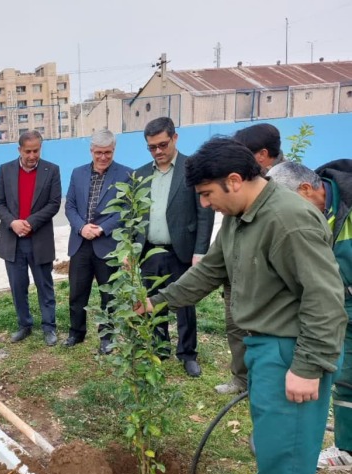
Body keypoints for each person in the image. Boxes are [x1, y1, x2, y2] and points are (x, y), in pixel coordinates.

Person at [138, 137, 346, 474]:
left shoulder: (289, 220)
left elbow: (325, 297)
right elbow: (210, 271)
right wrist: (157, 302)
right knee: (272, 435)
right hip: (264, 346)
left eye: (207, 194)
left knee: (289, 440)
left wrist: (308, 366)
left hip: (292, 348)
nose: (204, 204)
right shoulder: (239, 216)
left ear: (234, 181)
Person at [267, 159, 352, 466]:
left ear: (306, 189)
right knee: (346, 376)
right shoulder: (312, 212)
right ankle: (347, 447)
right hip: (338, 302)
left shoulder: (347, 205)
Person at [134, 117, 214, 377]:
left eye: (163, 144)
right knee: (152, 302)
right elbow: (134, 216)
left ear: (175, 138)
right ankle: (159, 348)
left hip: (182, 250)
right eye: (152, 147)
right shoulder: (141, 174)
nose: (158, 151)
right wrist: (132, 251)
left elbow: (205, 215)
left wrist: (200, 251)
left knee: (184, 303)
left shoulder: (192, 169)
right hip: (150, 251)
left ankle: (188, 353)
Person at [216, 124, 287, 394]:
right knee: (235, 324)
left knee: (265, 335)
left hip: (264, 276)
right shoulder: (239, 182)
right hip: (237, 267)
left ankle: (265, 384)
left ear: (261, 155)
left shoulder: (286, 183)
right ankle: (242, 379)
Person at [63, 129, 133, 354]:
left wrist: (102, 228)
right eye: (99, 152)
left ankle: (107, 336)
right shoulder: (77, 173)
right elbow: (70, 206)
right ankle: (76, 332)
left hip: (108, 245)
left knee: (109, 295)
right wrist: (82, 227)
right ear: (91, 151)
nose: (103, 157)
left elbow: (125, 210)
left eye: (108, 153)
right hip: (80, 243)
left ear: (114, 150)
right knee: (77, 292)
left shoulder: (125, 175)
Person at [0, 130, 62, 346]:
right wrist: (13, 223)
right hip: (12, 240)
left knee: (45, 285)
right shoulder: (5, 170)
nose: (32, 156)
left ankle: (49, 327)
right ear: (19, 150)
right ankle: (24, 324)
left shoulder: (51, 170)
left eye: (36, 150)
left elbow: (54, 203)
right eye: (28, 151)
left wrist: (30, 222)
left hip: (39, 238)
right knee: (18, 285)